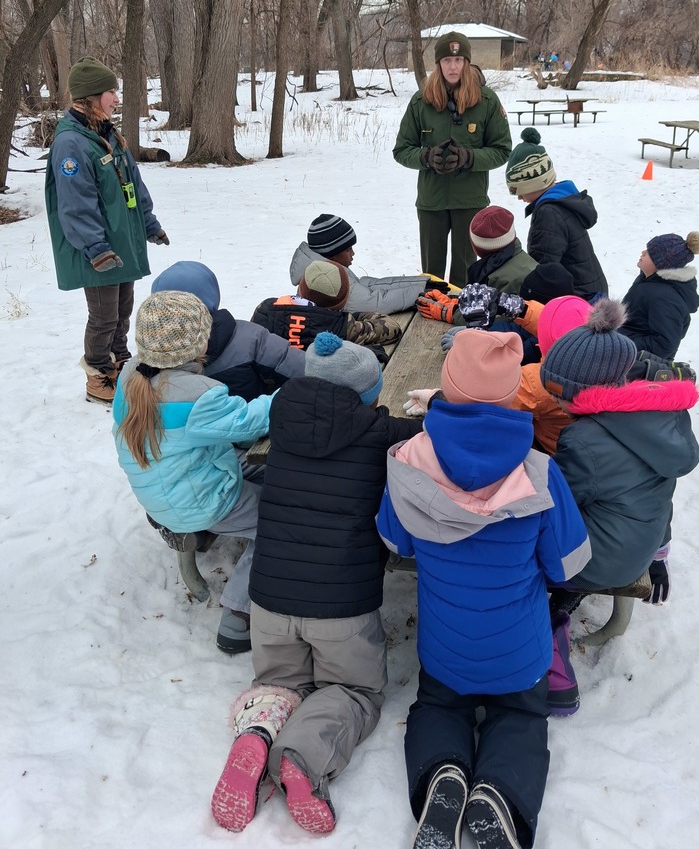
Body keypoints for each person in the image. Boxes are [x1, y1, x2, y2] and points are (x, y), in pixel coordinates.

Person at [377, 329, 591, 849]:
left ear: (447, 388)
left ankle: (439, 776)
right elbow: (566, 566)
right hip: (520, 654)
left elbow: (395, 540)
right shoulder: (540, 472)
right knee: (520, 715)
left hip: (445, 650)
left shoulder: (407, 461)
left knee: (438, 708)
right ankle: (501, 793)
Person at [210, 332, 422, 836]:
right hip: (340, 607)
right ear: (369, 393)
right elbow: (434, 433)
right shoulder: (381, 431)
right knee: (352, 689)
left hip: (269, 601)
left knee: (280, 681)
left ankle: (258, 731)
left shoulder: (282, 419)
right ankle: (302, 760)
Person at [539, 299, 699, 713]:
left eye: (559, 396)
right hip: (640, 543)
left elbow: (557, 508)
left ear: (586, 392)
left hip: (600, 559)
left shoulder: (584, 440)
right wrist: (659, 553)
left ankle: (550, 640)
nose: (555, 405)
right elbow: (658, 488)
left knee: (521, 548)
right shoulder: (661, 415)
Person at [112, 290, 274, 654]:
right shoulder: (198, 395)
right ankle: (238, 614)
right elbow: (250, 423)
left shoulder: (130, 375)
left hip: (165, 489)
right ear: (199, 341)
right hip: (200, 502)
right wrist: (285, 394)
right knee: (278, 523)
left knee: (266, 471)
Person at [44, 55, 169, 404]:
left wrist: (149, 223)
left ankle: (120, 360)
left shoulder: (106, 132)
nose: (115, 98)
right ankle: (99, 373)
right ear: (89, 98)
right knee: (103, 315)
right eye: (109, 92)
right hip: (96, 249)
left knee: (123, 309)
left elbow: (133, 182)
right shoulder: (71, 143)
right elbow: (75, 203)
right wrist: (95, 248)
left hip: (119, 241)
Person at [393, 31, 512, 287]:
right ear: (438, 64)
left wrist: (470, 158)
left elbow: (502, 150)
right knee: (431, 276)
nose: (453, 67)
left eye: (458, 61)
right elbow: (401, 150)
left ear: (467, 62)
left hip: (469, 201)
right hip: (431, 202)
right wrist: (425, 157)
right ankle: (429, 318)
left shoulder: (486, 101)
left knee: (466, 272)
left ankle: (462, 320)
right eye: (447, 60)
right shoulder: (420, 102)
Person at [150, 260, 305, 401]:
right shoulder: (248, 338)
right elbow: (304, 368)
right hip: (256, 427)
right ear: (212, 295)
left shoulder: (145, 362)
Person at [505, 127, 608, 300]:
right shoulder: (564, 199)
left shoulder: (548, 214)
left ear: (534, 184)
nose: (519, 198)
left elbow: (544, 268)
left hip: (580, 297)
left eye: (519, 191)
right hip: (593, 289)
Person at [289, 213, 427, 313]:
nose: (353, 254)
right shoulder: (327, 280)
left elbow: (364, 285)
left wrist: (420, 283)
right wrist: (422, 293)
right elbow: (375, 303)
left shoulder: (321, 267)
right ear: (332, 253)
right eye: (348, 249)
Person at [253, 259, 401, 350]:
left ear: (301, 287)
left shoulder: (266, 309)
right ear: (342, 301)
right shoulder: (340, 326)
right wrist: (356, 316)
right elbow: (392, 329)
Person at [619, 231, 699, 359]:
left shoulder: (665, 297)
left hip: (638, 361)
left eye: (649, 253)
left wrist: (617, 344)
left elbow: (664, 345)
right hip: (623, 346)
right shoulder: (648, 279)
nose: (643, 252)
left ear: (661, 264)